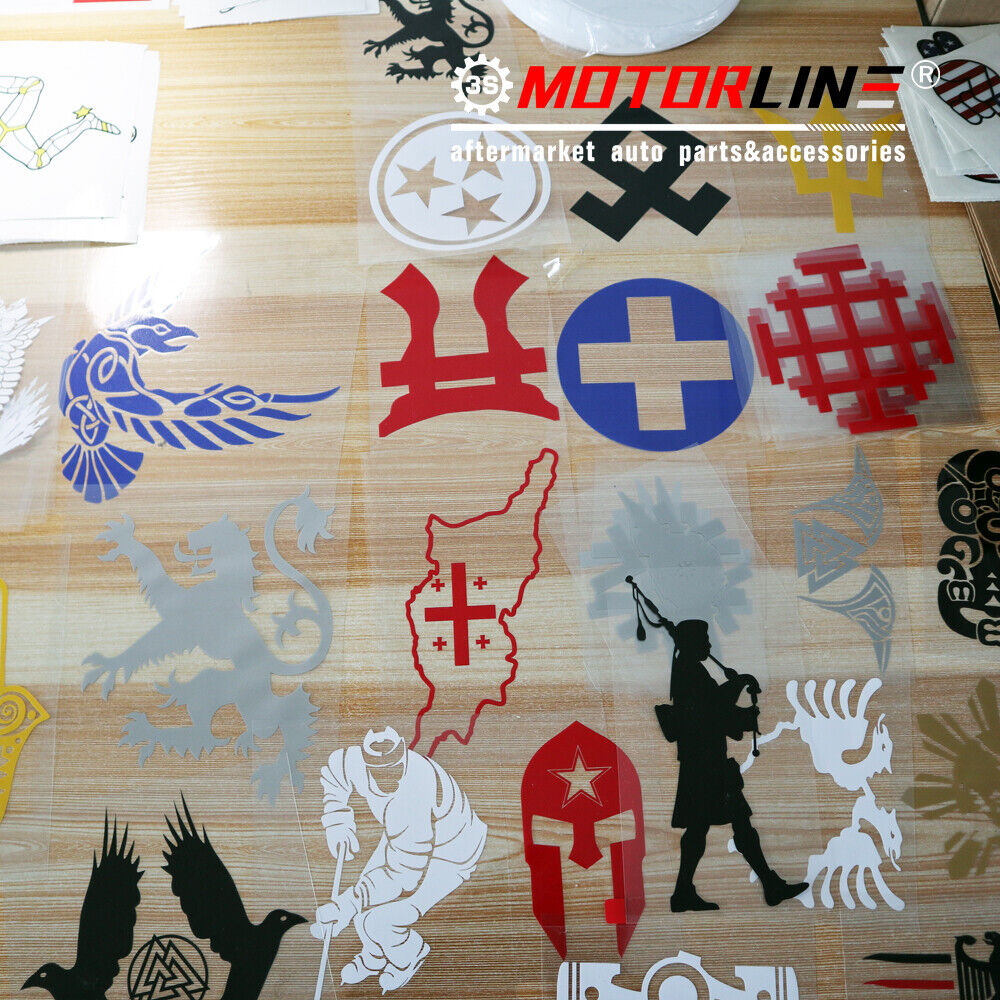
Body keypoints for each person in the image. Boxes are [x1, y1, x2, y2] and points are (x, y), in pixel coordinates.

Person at [311, 726, 487, 993]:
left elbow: (404, 875)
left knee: (379, 921)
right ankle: (374, 957)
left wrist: (348, 903)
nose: (390, 778)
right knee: (364, 908)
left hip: (452, 851)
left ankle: (409, 954)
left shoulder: (413, 795)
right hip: (404, 838)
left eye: (395, 768)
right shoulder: (354, 763)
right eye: (380, 771)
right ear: (366, 764)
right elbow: (335, 772)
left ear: (404, 756)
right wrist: (337, 820)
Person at [657, 619, 807, 912]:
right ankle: (764, 885)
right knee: (715, 826)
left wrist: (742, 713)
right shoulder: (689, 672)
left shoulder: (689, 671)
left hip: (706, 763)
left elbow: (712, 712)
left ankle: (689, 891)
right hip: (705, 766)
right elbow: (710, 710)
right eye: (705, 641)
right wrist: (740, 682)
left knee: (722, 825)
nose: (709, 645)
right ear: (693, 644)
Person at [0, 76, 119, 171]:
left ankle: (87, 123)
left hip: (5, 127)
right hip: (5, 136)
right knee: (37, 161)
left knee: (34, 84)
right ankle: (87, 123)